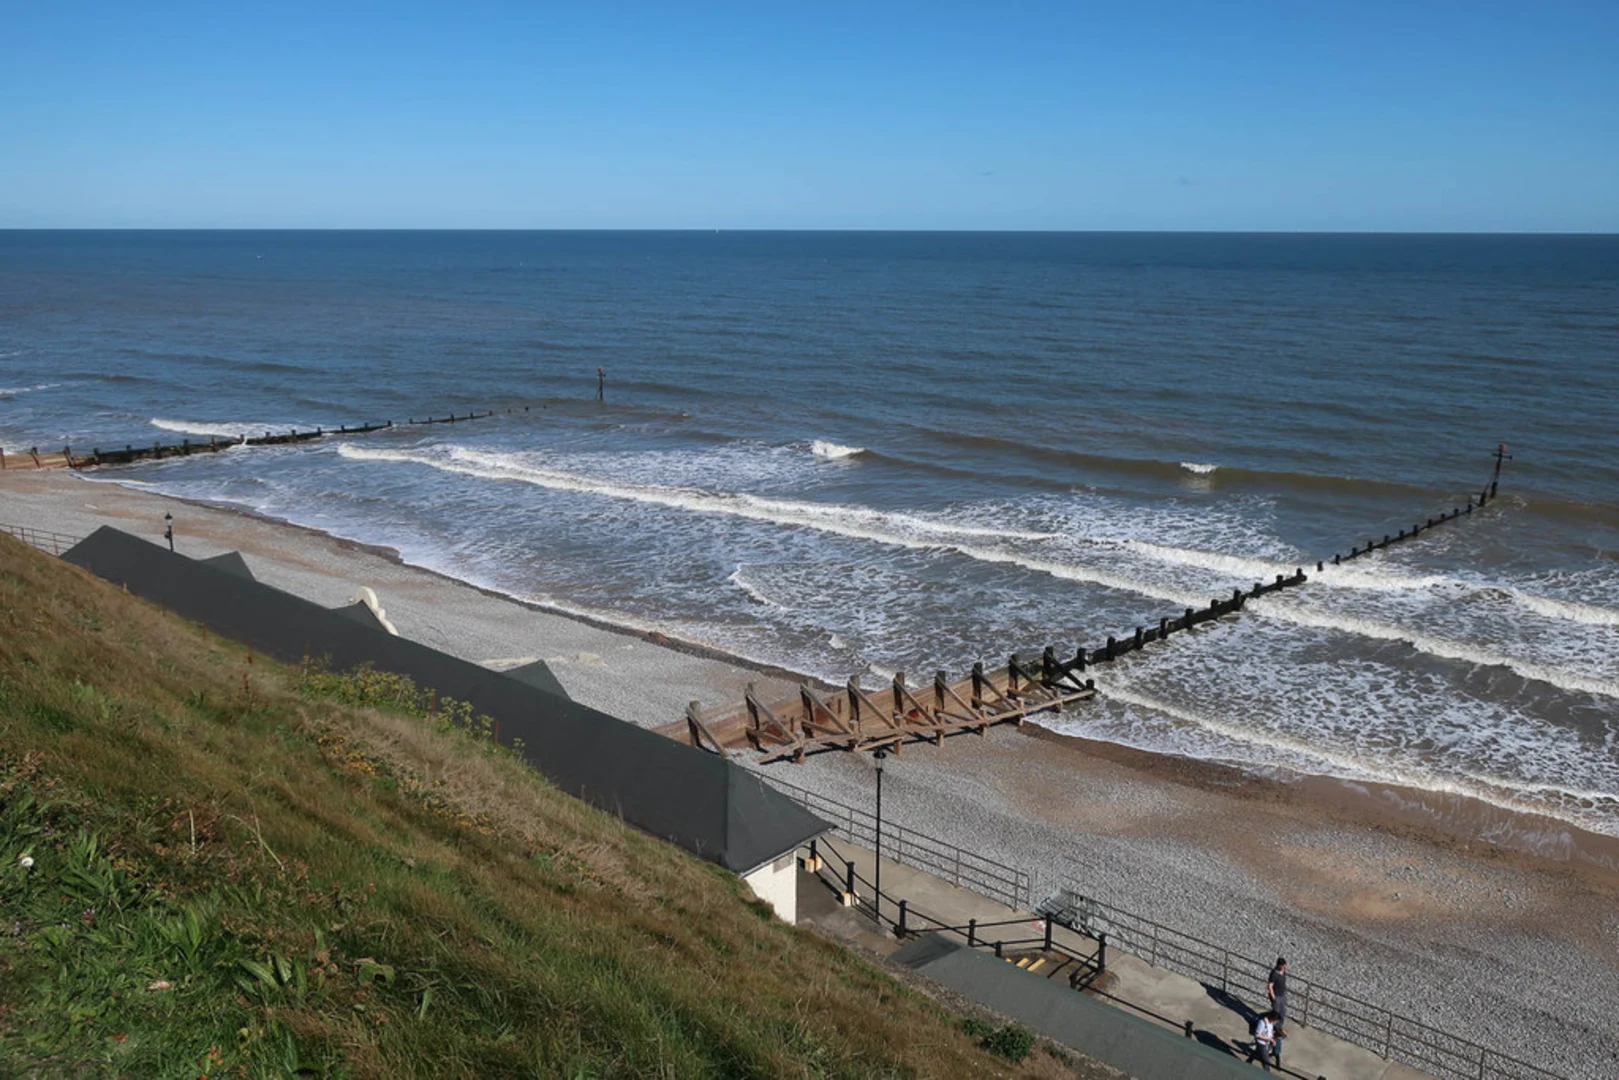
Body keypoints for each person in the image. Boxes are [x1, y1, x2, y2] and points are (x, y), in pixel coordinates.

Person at [1267, 958, 1289, 1062]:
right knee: (1276, 1012)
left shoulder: (1283, 971)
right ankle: (1276, 1027)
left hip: (1282, 995)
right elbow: (1270, 986)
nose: (1284, 967)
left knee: (1283, 1012)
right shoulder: (1274, 974)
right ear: (1279, 965)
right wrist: (1273, 997)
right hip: (1277, 996)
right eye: (1282, 965)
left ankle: (1279, 1026)